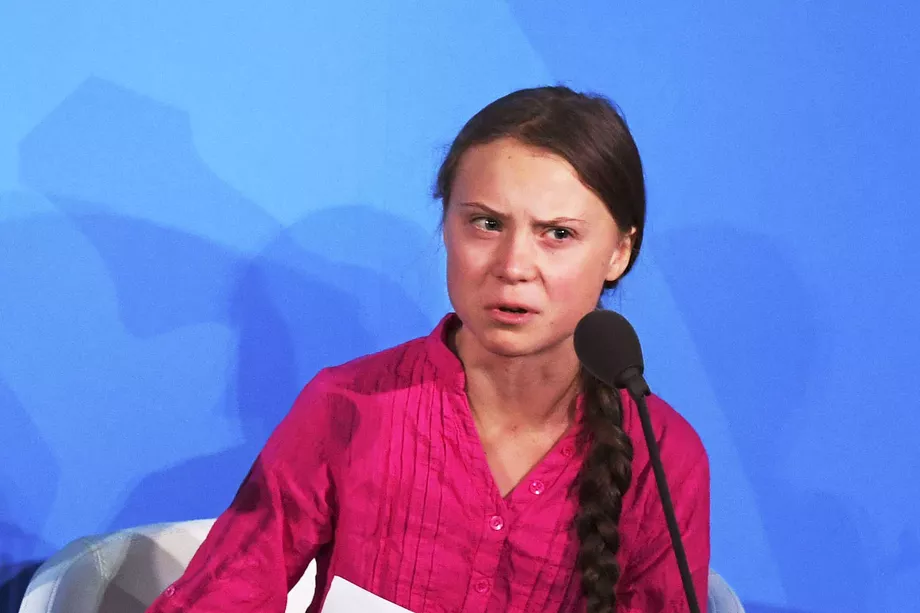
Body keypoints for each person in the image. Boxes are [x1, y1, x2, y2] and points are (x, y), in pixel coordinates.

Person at [146, 86, 710, 613]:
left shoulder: (663, 456)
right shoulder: (347, 405)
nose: (513, 267)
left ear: (618, 252)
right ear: (446, 227)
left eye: (557, 234)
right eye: (486, 224)